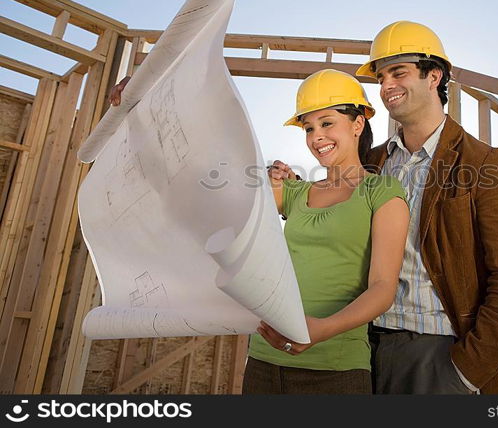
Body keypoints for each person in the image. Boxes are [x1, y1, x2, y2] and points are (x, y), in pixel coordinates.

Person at [109, 69, 409, 394]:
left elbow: (382, 288)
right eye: (308, 127)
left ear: (357, 123)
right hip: (264, 363)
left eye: (326, 123)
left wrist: (321, 330)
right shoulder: (295, 193)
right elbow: (193, 184)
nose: (315, 137)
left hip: (335, 370)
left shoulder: (382, 191)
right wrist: (146, 105)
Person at [353, 21, 498, 394]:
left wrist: (466, 370)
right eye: (381, 76)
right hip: (362, 348)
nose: (386, 86)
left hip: (437, 354)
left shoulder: (482, 163)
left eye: (398, 72)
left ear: (433, 76)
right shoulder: (371, 163)